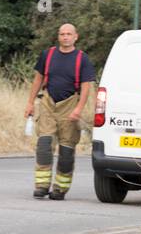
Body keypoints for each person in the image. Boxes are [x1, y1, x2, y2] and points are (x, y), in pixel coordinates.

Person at [24, 23, 95, 200]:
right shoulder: (47, 55)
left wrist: (79, 109)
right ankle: (41, 186)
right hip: (48, 103)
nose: (65, 37)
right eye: (62, 34)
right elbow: (38, 79)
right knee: (44, 145)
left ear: (75, 37)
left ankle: (60, 188)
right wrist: (30, 102)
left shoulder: (82, 59)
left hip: (70, 106)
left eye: (69, 34)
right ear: (58, 36)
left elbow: (87, 87)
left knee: (66, 151)